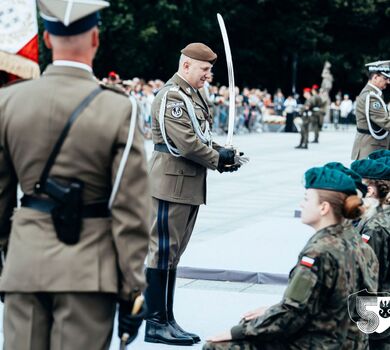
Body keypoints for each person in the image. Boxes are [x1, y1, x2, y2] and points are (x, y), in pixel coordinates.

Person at [0, 1, 151, 349]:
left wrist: (13, 253)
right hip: (88, 271)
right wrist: (132, 289)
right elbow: (130, 211)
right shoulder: (118, 108)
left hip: (24, 265)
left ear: (48, 40)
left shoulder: (9, 103)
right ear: (96, 38)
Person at [203, 166, 378, 350]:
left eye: (306, 199)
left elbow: (292, 316)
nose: (302, 204)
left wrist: (237, 331)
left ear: (324, 208)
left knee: (216, 346)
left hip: (319, 343)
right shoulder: (360, 245)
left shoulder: (319, 252)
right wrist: (271, 312)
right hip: (351, 342)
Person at [145, 42, 244, 345]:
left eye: (210, 70)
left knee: (173, 254)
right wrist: (218, 159)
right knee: (162, 251)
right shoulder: (172, 97)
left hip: (186, 185)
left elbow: (200, 137)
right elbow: (186, 142)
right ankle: (154, 323)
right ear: (186, 65)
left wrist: (225, 154)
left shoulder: (193, 95)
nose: (208, 76)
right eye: (204, 69)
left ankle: (167, 318)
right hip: (169, 185)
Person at [351, 60, 390, 160]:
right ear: (375, 77)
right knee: (368, 175)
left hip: (374, 146)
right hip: (371, 148)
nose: (388, 82)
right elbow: (385, 122)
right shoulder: (371, 97)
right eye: (385, 78)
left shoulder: (375, 94)